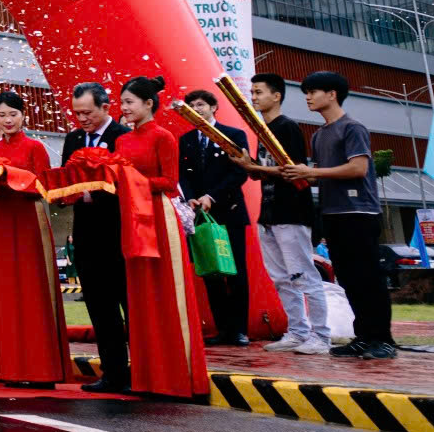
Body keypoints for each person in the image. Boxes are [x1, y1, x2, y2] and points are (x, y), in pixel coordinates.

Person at [0, 92, 72, 386]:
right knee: (5, 295)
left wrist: (9, 178)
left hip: (28, 219)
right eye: (2, 116)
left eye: (13, 115)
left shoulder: (35, 147)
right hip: (0, 222)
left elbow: (43, 186)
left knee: (33, 292)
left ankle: (41, 369)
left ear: (24, 116)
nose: (8, 121)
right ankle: (11, 368)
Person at [110, 76, 207, 400]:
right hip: (132, 218)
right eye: (122, 103)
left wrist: (130, 181)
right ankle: (148, 378)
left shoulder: (164, 137)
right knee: (140, 297)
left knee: (166, 293)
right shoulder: (122, 141)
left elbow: (169, 181)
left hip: (159, 218)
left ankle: (178, 378)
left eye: (129, 102)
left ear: (149, 103)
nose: (123, 108)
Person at [299, 71, 395, 360]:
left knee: (369, 279)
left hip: (359, 212)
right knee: (350, 280)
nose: (308, 97)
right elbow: (322, 175)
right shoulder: (318, 135)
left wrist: (312, 172)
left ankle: (383, 340)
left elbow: (358, 169)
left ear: (332, 94)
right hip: (333, 213)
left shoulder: (352, 128)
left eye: (314, 91)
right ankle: (363, 338)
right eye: (307, 92)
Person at [247, 73, 328, 355]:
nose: (254, 97)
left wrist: (254, 167)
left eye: (258, 92)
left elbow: (290, 170)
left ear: (276, 95)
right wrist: (247, 165)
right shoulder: (262, 130)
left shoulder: (287, 127)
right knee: (280, 278)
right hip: (268, 214)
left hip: (292, 213)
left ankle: (321, 336)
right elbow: (261, 172)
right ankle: (297, 331)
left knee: (304, 275)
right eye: (252, 92)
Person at [61, 82, 131, 393]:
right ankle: (113, 371)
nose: (82, 118)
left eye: (87, 112)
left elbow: (129, 185)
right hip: (86, 233)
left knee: (128, 304)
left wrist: (96, 193)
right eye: (77, 113)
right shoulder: (73, 139)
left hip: (117, 232)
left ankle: (141, 369)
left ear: (105, 108)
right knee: (100, 308)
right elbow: (66, 177)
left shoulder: (122, 138)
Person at [178, 89, 252, 347]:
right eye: (191, 106)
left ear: (213, 107)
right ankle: (223, 328)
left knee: (235, 272)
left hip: (228, 212)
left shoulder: (233, 135)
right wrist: (191, 197)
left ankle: (240, 330)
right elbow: (182, 175)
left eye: (201, 105)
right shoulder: (185, 140)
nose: (197, 109)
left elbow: (239, 173)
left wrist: (212, 196)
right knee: (211, 271)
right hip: (200, 215)